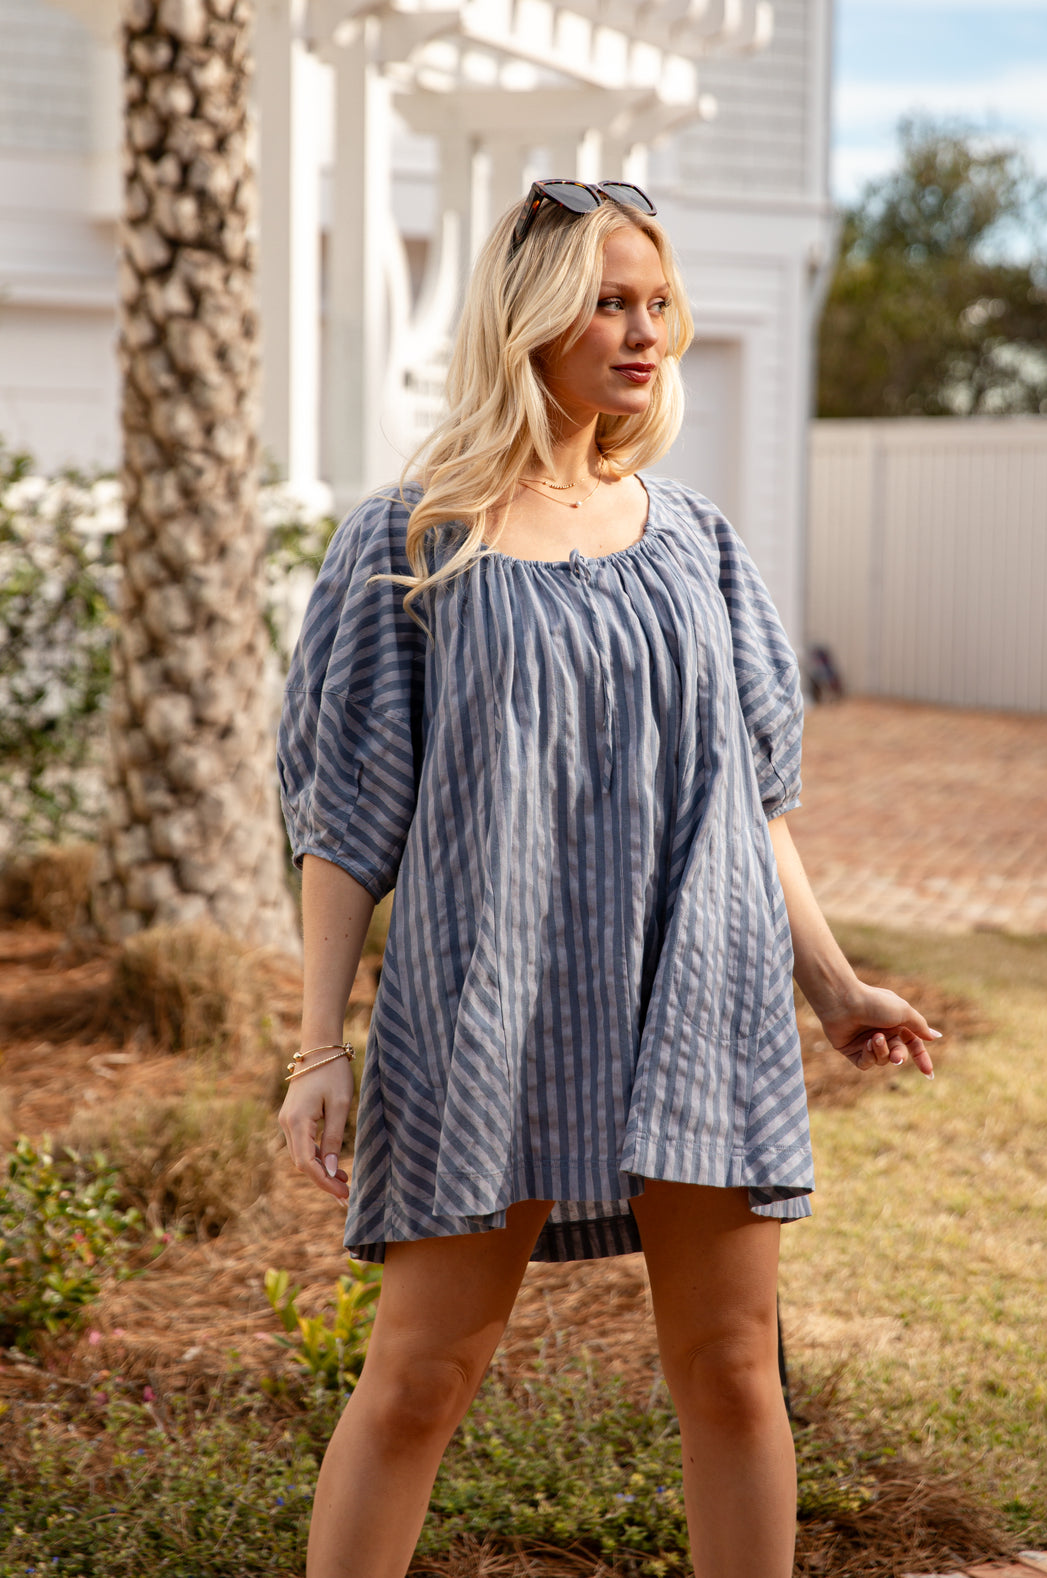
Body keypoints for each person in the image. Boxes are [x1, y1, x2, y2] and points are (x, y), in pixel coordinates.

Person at [276, 179, 940, 1578]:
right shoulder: (413, 541)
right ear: (528, 317)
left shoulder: (695, 542)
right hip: (488, 1008)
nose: (645, 333)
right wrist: (313, 1044)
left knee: (732, 1372)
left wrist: (835, 985)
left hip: (699, 995)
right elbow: (344, 820)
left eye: (656, 303)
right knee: (417, 1380)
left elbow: (752, 805)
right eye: (608, 301)